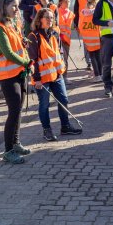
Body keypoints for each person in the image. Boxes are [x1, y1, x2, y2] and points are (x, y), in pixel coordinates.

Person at [27, 8, 83, 141]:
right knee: (44, 105)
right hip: (42, 78)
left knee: (63, 100)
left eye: (52, 18)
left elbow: (59, 52)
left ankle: (65, 126)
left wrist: (61, 70)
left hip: (57, 75)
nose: (50, 20)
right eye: (47, 17)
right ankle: (47, 130)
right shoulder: (33, 37)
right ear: (39, 19)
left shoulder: (54, 34)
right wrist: (37, 79)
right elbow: (32, 60)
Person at [0, 0, 33, 164]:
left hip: (19, 73)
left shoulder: (12, 24)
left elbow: (17, 46)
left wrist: (23, 41)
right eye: (13, 6)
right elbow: (7, 53)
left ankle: (16, 143)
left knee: (18, 110)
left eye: (17, 6)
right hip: (8, 76)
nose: (17, 9)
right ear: (4, 6)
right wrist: (27, 62)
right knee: (13, 111)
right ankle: (8, 150)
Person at [72, 0, 98, 71]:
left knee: (98, 47)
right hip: (85, 25)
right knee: (86, 44)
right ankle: (89, 63)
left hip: (95, 26)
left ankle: (97, 65)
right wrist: (75, 23)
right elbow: (76, 10)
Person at [79, 0, 103, 80]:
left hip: (87, 38)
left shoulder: (82, 12)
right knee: (98, 56)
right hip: (97, 37)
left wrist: (83, 34)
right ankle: (101, 74)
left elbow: (80, 25)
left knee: (92, 57)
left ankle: (97, 75)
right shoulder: (97, 12)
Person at [56, 0, 75, 79]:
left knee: (65, 58)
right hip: (57, 38)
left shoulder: (71, 13)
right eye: (65, 2)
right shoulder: (57, 11)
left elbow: (71, 27)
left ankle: (65, 77)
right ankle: (60, 77)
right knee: (59, 58)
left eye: (69, 1)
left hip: (66, 39)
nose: (68, 3)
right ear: (60, 3)